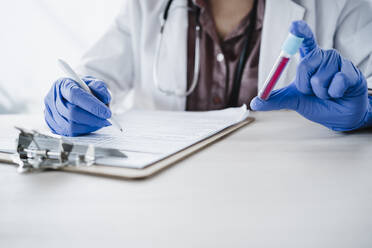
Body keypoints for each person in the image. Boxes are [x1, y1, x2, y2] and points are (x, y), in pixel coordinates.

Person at [44, 0, 372, 136]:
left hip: (295, 193)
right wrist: (71, 99)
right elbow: (95, 76)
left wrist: (365, 109)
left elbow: (368, 85)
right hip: (162, 197)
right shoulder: (148, 5)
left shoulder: (339, 4)